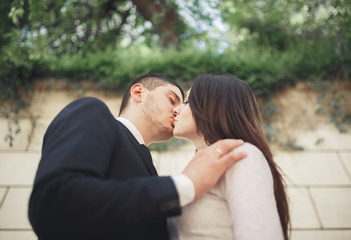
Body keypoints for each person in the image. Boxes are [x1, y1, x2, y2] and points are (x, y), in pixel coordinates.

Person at [28, 72, 246, 240]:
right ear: (139, 93)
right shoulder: (92, 112)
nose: (178, 111)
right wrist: (186, 184)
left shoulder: (147, 166)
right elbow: (56, 201)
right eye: (172, 100)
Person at [172, 73, 290, 240]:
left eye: (186, 102)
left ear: (215, 106)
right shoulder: (202, 163)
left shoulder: (242, 156)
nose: (176, 110)